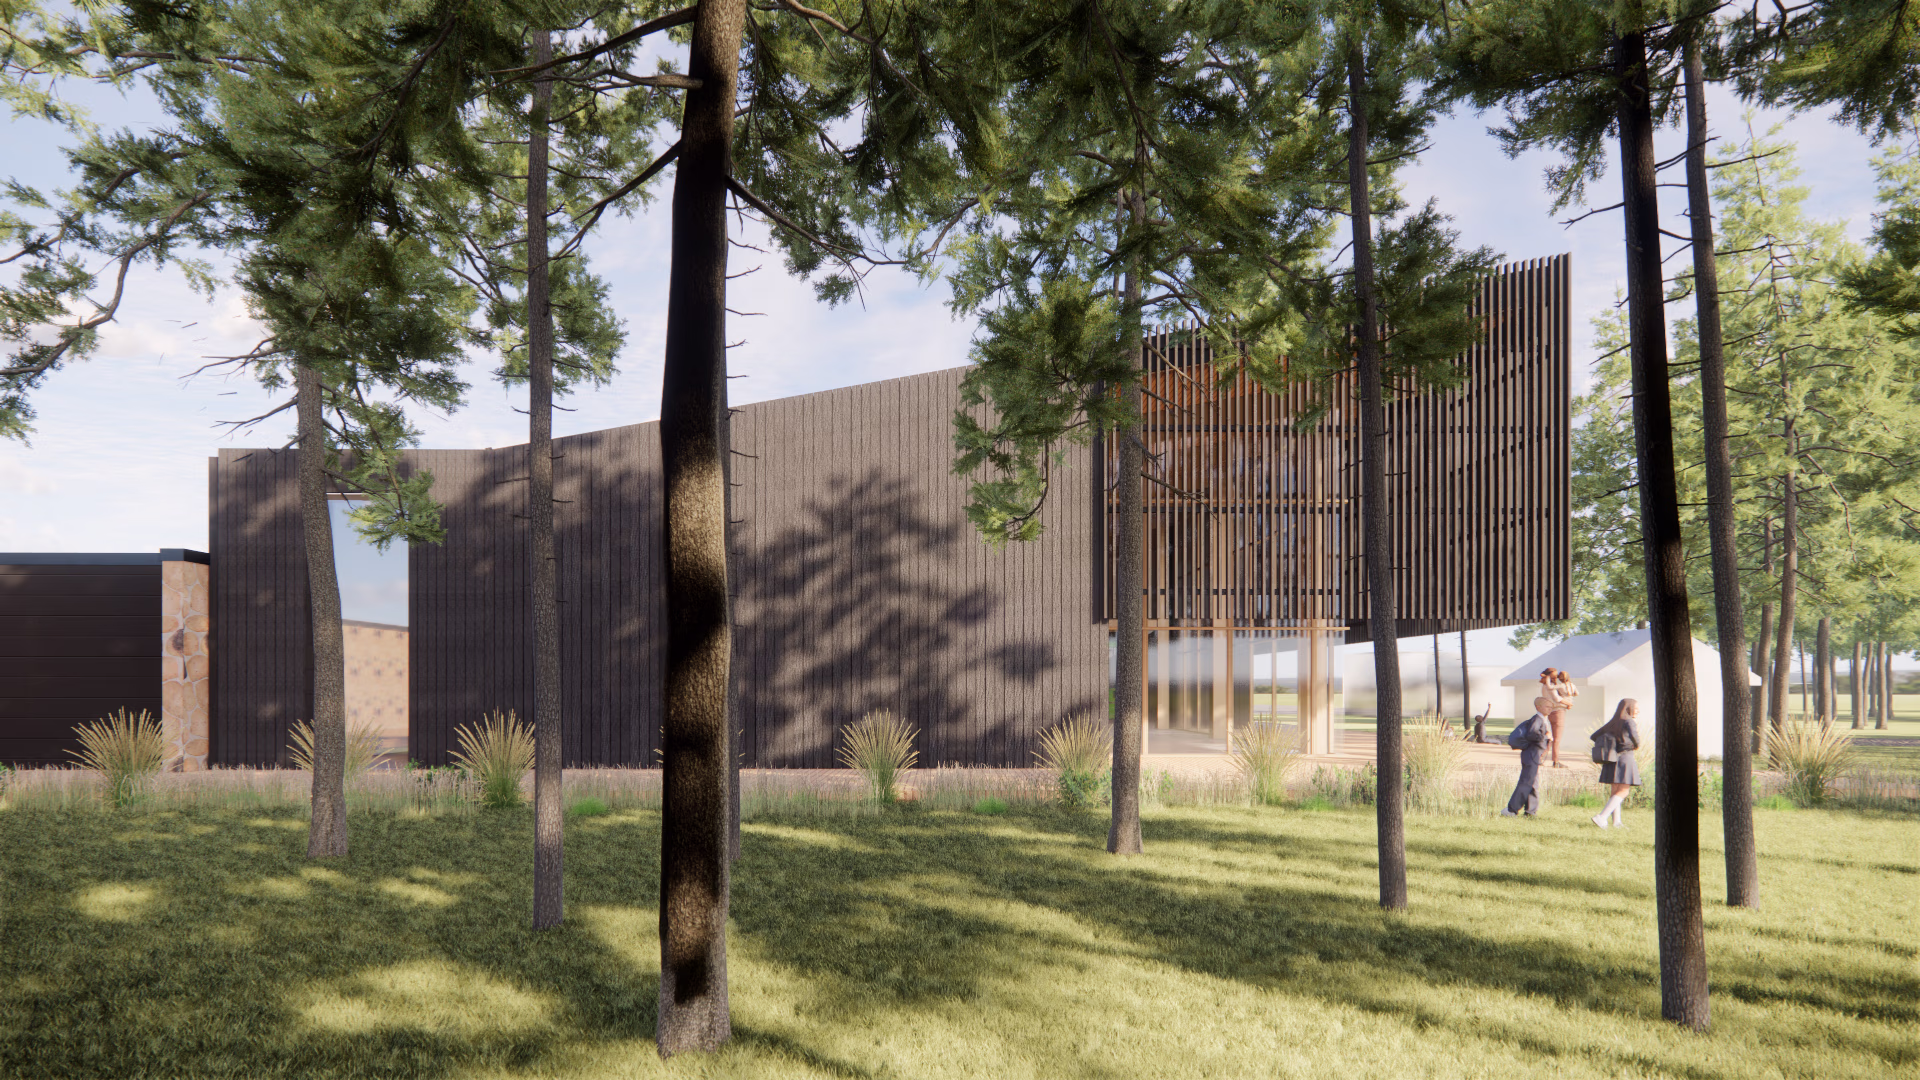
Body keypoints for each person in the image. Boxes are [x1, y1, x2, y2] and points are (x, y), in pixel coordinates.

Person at [1588, 698, 1642, 828]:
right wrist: (1635, 745)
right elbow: (1636, 739)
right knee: (1623, 791)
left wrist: (1610, 743)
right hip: (1625, 758)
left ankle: (1617, 822)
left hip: (1612, 759)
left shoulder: (1614, 722)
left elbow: (1594, 736)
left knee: (1615, 791)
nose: (1638, 711)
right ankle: (1602, 817)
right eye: (1636, 708)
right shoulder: (1629, 721)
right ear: (1628, 709)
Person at [1501, 696, 1555, 817]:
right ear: (1538, 707)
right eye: (1547, 706)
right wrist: (1546, 736)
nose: (1550, 709)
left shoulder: (1543, 719)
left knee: (1533, 783)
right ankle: (1512, 810)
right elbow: (1532, 734)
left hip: (1534, 755)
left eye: (1551, 707)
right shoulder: (1537, 719)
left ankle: (1530, 811)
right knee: (1526, 782)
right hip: (1531, 754)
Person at [1538, 668, 1576, 768]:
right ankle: (1555, 761)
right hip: (1558, 712)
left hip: (1550, 712)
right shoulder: (1551, 687)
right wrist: (1569, 703)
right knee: (1557, 739)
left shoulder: (1544, 686)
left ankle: (1540, 758)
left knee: (1551, 738)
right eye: (1555, 676)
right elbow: (1557, 698)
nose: (1557, 678)